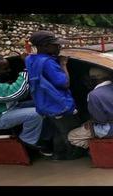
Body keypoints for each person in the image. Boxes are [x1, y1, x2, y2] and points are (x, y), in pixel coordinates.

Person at [25, 31, 85, 160]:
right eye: (56, 45)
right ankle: (72, 155)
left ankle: (58, 154)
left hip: (44, 103)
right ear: (45, 46)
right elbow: (64, 83)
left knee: (58, 129)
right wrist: (63, 64)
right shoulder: (48, 63)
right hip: (58, 104)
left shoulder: (29, 59)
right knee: (69, 130)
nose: (59, 48)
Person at [68, 67, 113, 149]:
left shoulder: (94, 95)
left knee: (72, 136)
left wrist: (91, 123)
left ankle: (98, 149)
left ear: (93, 80)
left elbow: (100, 120)